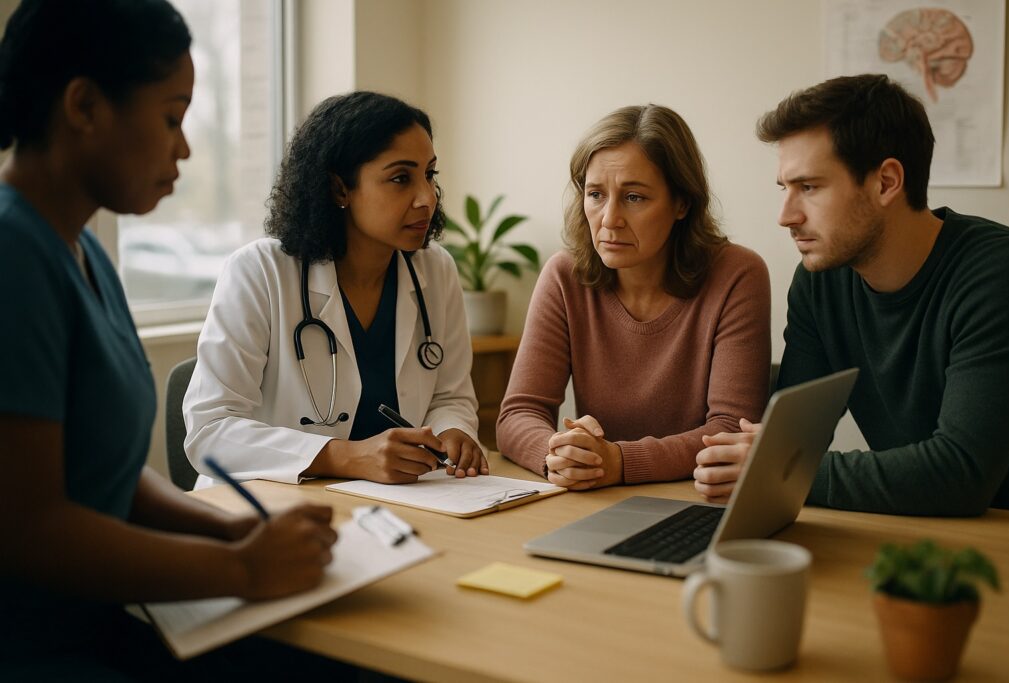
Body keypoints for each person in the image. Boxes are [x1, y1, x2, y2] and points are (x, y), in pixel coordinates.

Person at [0, 0, 345, 679]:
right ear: (84, 106)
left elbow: (108, 475)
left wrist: (230, 527)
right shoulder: (12, 257)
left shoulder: (85, 256)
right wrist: (241, 565)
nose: (183, 147)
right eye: (170, 116)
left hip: (98, 621)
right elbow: (27, 525)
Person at [694, 74, 1009, 516]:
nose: (785, 216)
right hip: (912, 532)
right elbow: (793, 441)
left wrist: (778, 467)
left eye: (809, 187)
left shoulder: (1000, 273)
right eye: (784, 188)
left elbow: (961, 474)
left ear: (887, 182)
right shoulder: (819, 281)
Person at [184, 91, 486, 490]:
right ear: (340, 189)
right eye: (400, 178)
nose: (426, 197)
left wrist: (454, 431)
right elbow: (210, 431)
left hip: (401, 503)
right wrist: (344, 456)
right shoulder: (260, 272)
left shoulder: (435, 269)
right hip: (271, 505)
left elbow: (450, 396)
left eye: (429, 175)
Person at [496, 104, 771, 490]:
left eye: (634, 198)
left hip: (697, 499)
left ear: (682, 203)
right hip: (597, 498)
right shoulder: (564, 277)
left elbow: (728, 432)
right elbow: (518, 414)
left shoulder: (737, 274)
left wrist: (620, 461)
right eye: (595, 194)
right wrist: (558, 452)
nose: (609, 219)